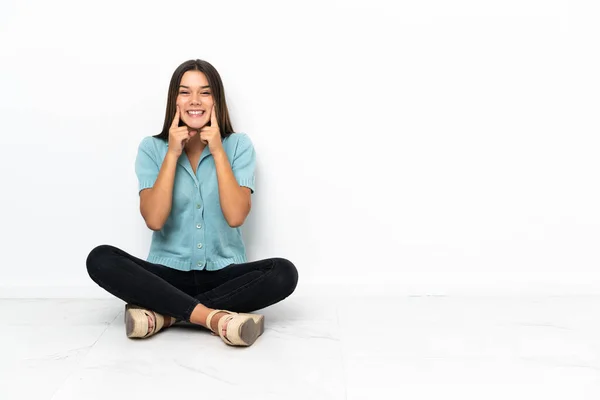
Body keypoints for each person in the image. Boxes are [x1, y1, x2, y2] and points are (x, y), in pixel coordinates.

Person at [86, 59, 298, 347]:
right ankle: (216, 319)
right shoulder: (152, 148)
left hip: (223, 275)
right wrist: (172, 153)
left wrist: (218, 151)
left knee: (284, 273)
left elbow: (236, 216)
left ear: (217, 100)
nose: (195, 101)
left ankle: (166, 315)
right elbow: (154, 220)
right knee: (100, 258)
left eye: (205, 92)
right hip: (167, 275)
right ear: (175, 100)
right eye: (185, 92)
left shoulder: (238, 145)